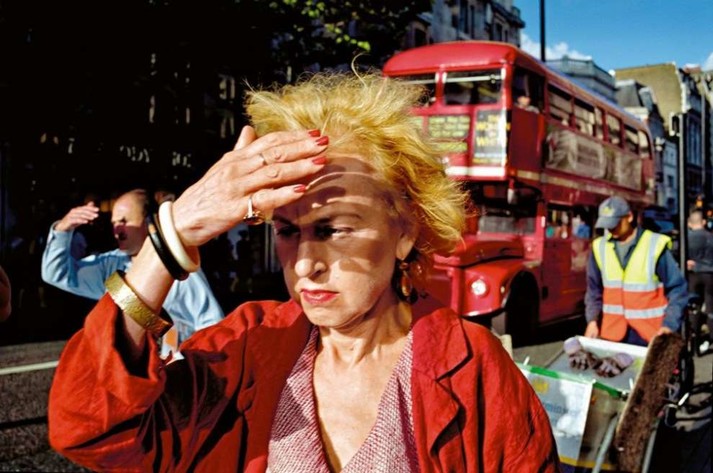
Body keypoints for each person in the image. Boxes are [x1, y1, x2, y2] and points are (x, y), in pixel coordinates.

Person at [48, 73, 559, 472]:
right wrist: (172, 234)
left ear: (405, 230)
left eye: (334, 229)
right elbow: (88, 427)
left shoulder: (473, 371)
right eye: (288, 231)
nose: (306, 264)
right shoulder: (249, 346)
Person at [41, 189, 224, 356]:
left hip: (172, 368)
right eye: (114, 222)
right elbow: (56, 274)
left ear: (148, 222)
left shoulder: (177, 267)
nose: (117, 229)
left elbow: (212, 324)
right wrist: (62, 230)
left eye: (124, 221)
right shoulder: (110, 265)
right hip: (123, 372)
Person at [584, 196, 689, 346]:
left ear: (629, 217)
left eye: (615, 223)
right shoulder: (599, 247)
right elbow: (594, 290)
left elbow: (677, 289)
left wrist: (669, 325)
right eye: (606, 225)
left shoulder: (654, 245)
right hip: (612, 334)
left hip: (650, 335)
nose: (611, 229)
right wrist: (592, 321)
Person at [686, 208, 713, 353]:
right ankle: (711, 337)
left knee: (693, 307)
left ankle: (694, 341)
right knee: (710, 307)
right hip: (710, 274)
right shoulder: (710, 237)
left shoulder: (687, 238)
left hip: (693, 275)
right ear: (703, 222)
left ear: (689, 223)